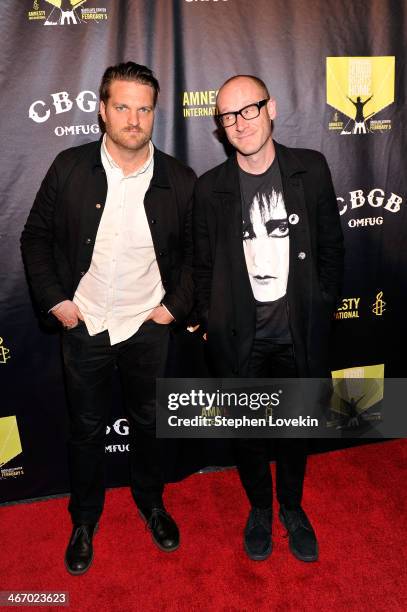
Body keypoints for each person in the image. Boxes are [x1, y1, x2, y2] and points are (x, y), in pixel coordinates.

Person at [21, 62, 196, 574]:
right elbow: (34, 237)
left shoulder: (179, 179)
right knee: (86, 429)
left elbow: (196, 257)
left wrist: (173, 309)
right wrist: (57, 299)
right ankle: (84, 519)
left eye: (144, 109)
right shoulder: (69, 167)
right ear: (102, 110)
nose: (134, 119)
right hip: (86, 322)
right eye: (122, 106)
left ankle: (152, 503)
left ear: (154, 114)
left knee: (151, 425)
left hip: (148, 325)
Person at [193, 75, 344, 562]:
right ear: (220, 125)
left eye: (250, 109)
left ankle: (292, 507)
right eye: (228, 116)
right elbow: (200, 264)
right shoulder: (210, 188)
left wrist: (320, 304)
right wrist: (206, 317)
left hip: (297, 335)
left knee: (295, 428)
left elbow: (331, 248)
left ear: (271, 107)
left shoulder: (312, 169)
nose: (240, 123)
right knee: (249, 433)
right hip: (240, 341)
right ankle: (260, 507)